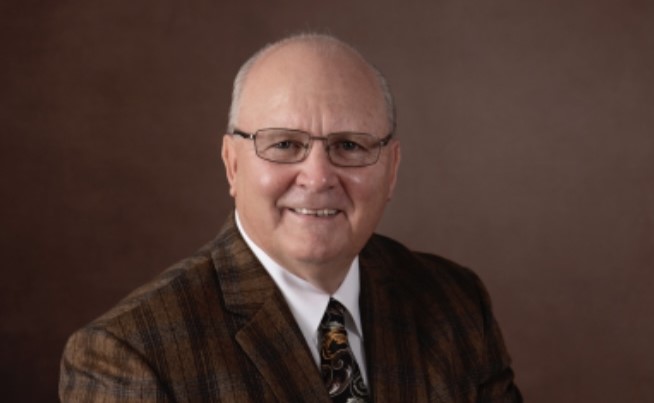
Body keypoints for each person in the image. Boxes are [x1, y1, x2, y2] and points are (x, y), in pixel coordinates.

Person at [59, 33, 522, 402]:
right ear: (232, 164)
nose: (318, 177)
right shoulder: (132, 355)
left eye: (349, 145)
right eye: (284, 144)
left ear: (392, 169)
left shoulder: (456, 303)